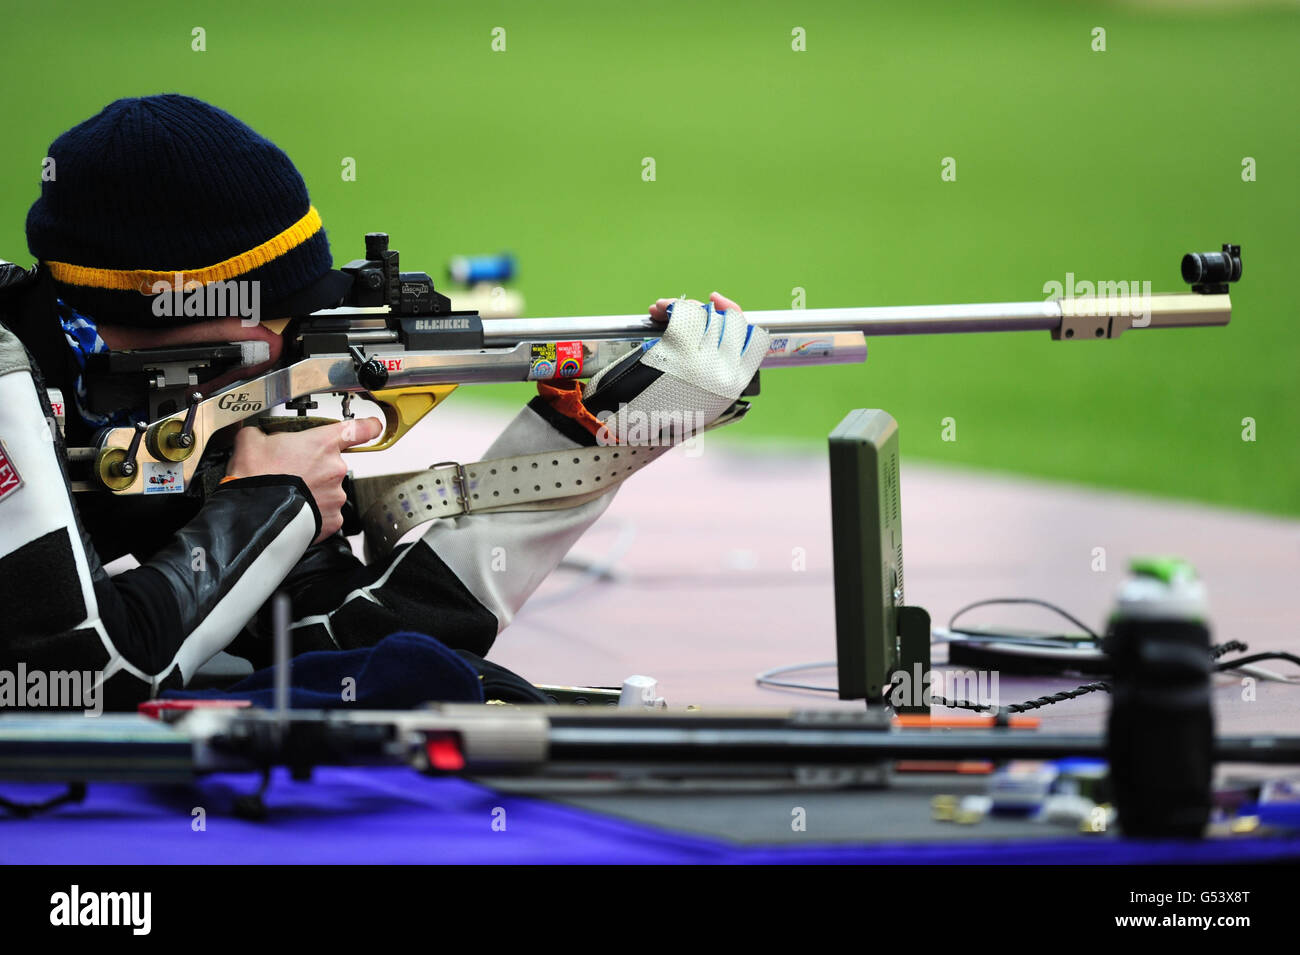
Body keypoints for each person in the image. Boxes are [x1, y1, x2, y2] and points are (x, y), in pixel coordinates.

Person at [0, 95, 769, 709]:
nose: (292, 342)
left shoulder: (150, 407)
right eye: (276, 313)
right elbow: (86, 676)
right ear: (166, 315)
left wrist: (595, 439)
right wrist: (271, 499)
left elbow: (344, 651)